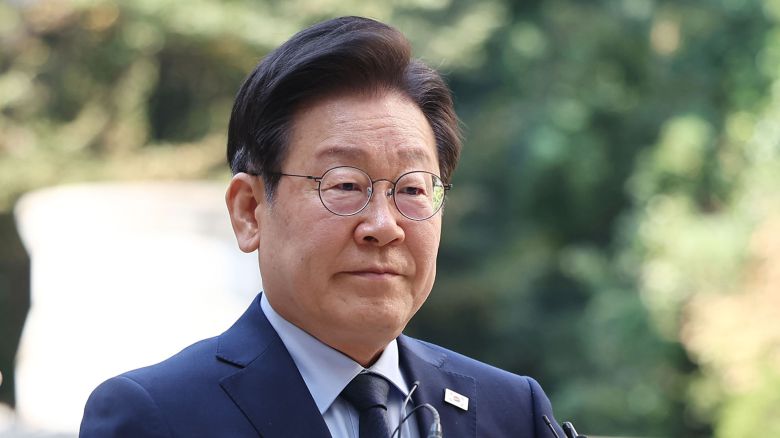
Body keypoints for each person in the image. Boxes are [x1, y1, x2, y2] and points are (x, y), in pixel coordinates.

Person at [80, 16, 566, 438]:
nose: (384, 226)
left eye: (413, 189)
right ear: (249, 210)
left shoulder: (511, 411)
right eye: (345, 185)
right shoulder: (158, 417)